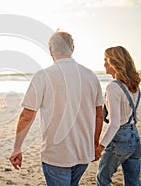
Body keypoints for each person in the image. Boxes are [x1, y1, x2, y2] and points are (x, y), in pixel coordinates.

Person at [9, 30, 103, 185]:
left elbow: (27, 115)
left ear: (50, 50)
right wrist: (94, 143)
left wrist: (17, 148)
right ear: (73, 48)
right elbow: (98, 114)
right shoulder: (91, 76)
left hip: (57, 154)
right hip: (83, 151)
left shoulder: (43, 76)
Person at [96, 46, 141, 186]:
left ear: (114, 62)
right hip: (134, 137)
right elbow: (136, 116)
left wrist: (101, 146)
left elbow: (115, 123)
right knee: (133, 181)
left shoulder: (113, 86)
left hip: (120, 139)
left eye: (106, 59)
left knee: (102, 180)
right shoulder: (135, 85)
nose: (104, 63)